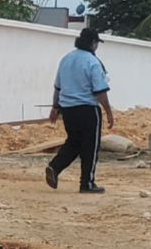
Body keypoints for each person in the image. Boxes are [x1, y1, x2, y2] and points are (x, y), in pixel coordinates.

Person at [45, 28, 114, 193]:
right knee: (90, 146)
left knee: (74, 142)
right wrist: (108, 112)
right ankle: (87, 183)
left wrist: (55, 107)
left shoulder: (66, 59)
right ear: (93, 43)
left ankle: (55, 167)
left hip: (68, 109)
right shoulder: (93, 62)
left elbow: (58, 87)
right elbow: (100, 92)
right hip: (88, 109)